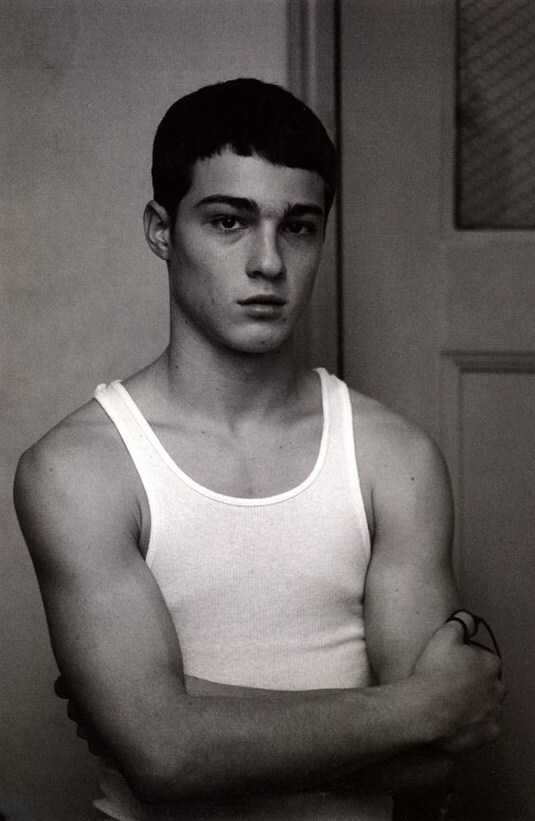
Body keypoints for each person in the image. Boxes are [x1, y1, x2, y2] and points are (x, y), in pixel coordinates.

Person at [14, 78, 504, 821]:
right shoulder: (79, 469)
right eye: (229, 222)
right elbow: (166, 757)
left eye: (299, 227)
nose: (269, 262)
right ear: (161, 230)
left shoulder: (393, 458)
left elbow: (432, 760)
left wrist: (185, 709)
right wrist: (422, 706)